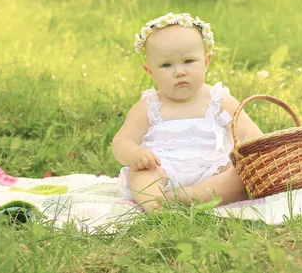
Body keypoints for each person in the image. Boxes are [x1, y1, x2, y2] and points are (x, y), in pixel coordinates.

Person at [112, 12, 263, 212]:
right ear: (150, 71)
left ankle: (180, 198)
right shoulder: (149, 105)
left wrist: (246, 150)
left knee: (239, 176)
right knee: (142, 173)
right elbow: (122, 140)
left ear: (206, 61)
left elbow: (250, 133)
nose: (179, 71)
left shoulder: (219, 100)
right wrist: (135, 153)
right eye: (166, 65)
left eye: (189, 61)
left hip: (212, 172)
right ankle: (156, 203)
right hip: (162, 169)